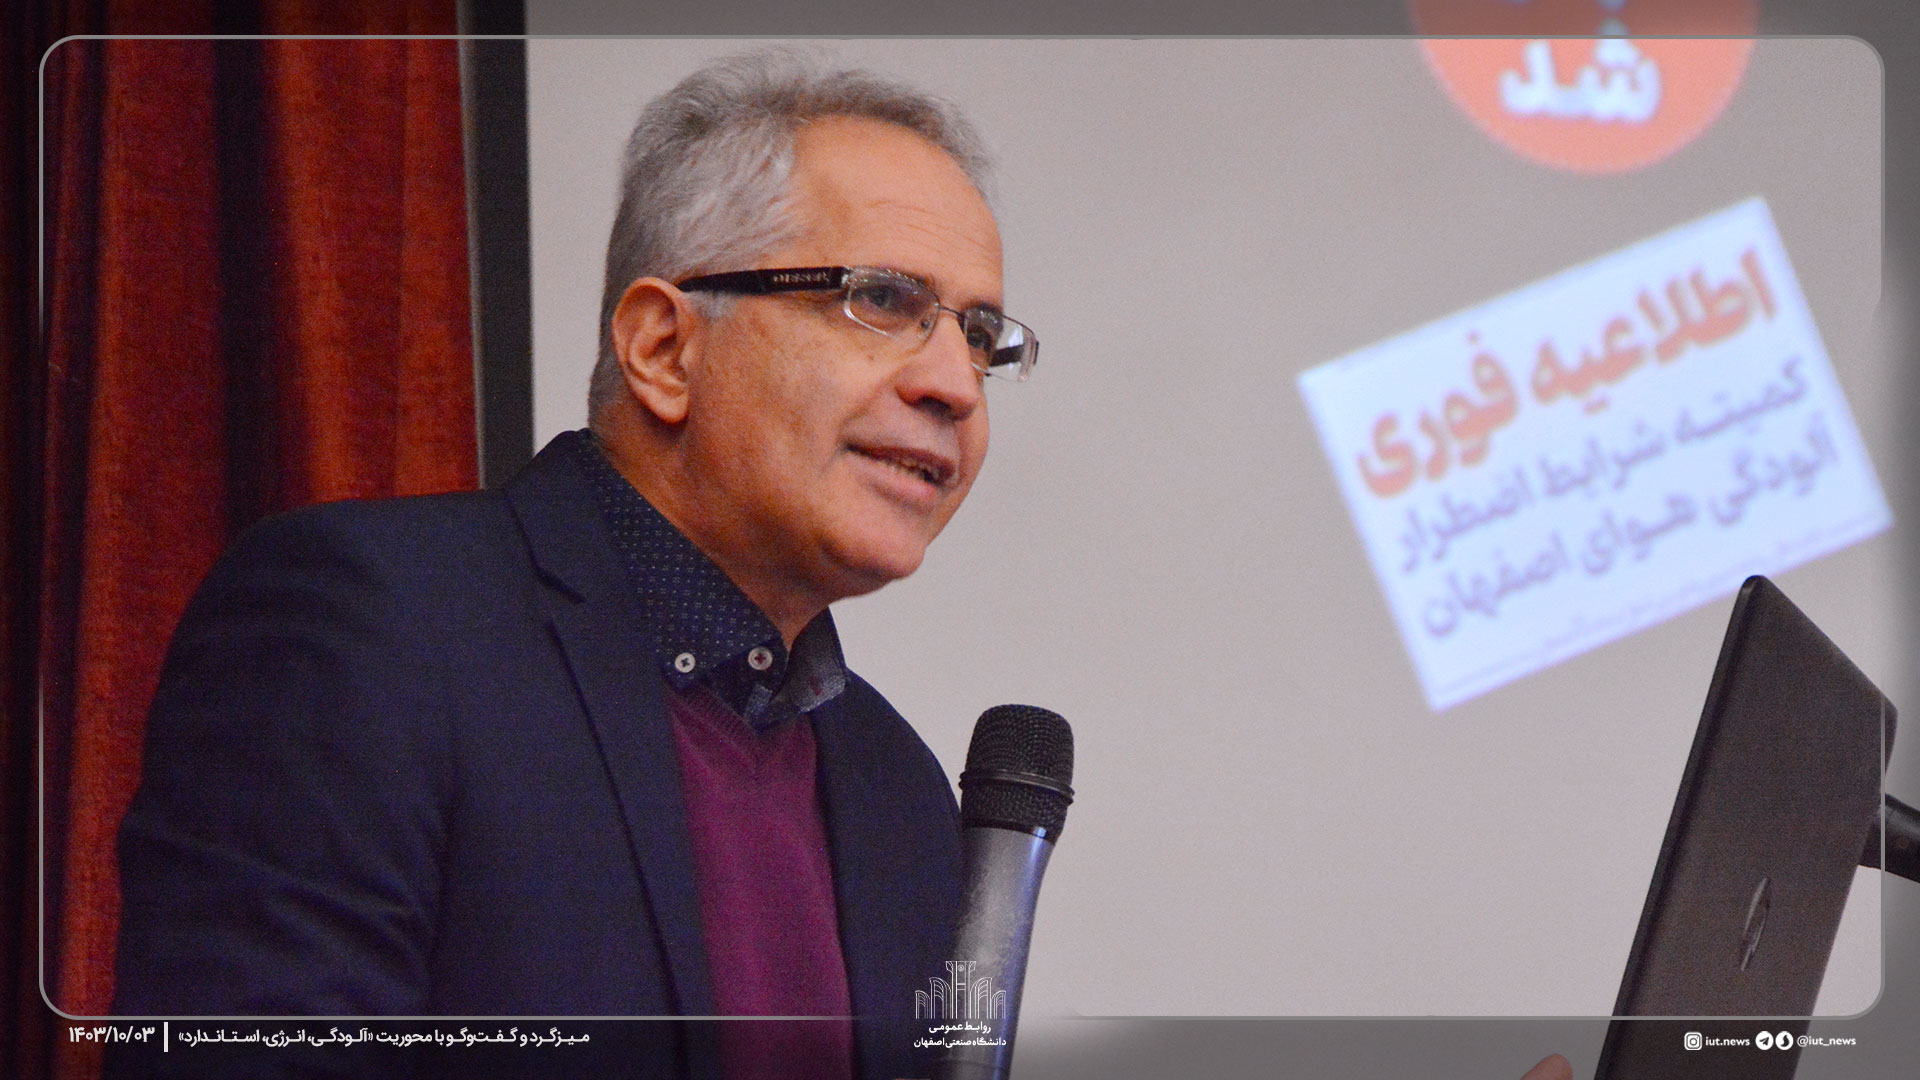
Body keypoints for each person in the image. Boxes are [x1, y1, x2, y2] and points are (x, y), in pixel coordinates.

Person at [111, 49, 1036, 1080]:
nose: (957, 384)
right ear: (663, 347)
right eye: (882, 301)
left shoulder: (897, 790)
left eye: (981, 336)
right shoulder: (370, 633)